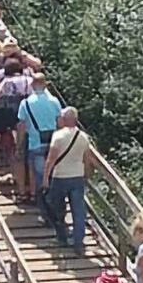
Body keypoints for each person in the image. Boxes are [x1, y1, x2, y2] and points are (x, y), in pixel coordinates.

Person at [42, 107, 96, 254]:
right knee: (78, 211)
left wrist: (46, 178)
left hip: (60, 177)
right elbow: (87, 159)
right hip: (77, 177)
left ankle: (62, 238)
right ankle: (79, 243)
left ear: (64, 120)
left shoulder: (58, 136)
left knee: (58, 209)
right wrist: (87, 175)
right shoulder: (83, 137)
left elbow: (51, 159)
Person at [0, 58, 32, 196]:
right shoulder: (29, 80)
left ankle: (18, 179)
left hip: (11, 118)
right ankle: (29, 181)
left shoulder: (7, 82)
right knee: (26, 147)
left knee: (15, 150)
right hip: (28, 118)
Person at [17, 73, 63, 201]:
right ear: (45, 85)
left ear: (32, 85)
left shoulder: (25, 103)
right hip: (53, 142)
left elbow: (21, 126)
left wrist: (19, 145)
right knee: (52, 170)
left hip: (35, 142)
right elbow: (60, 123)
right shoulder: (55, 101)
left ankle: (34, 195)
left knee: (33, 170)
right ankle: (52, 197)